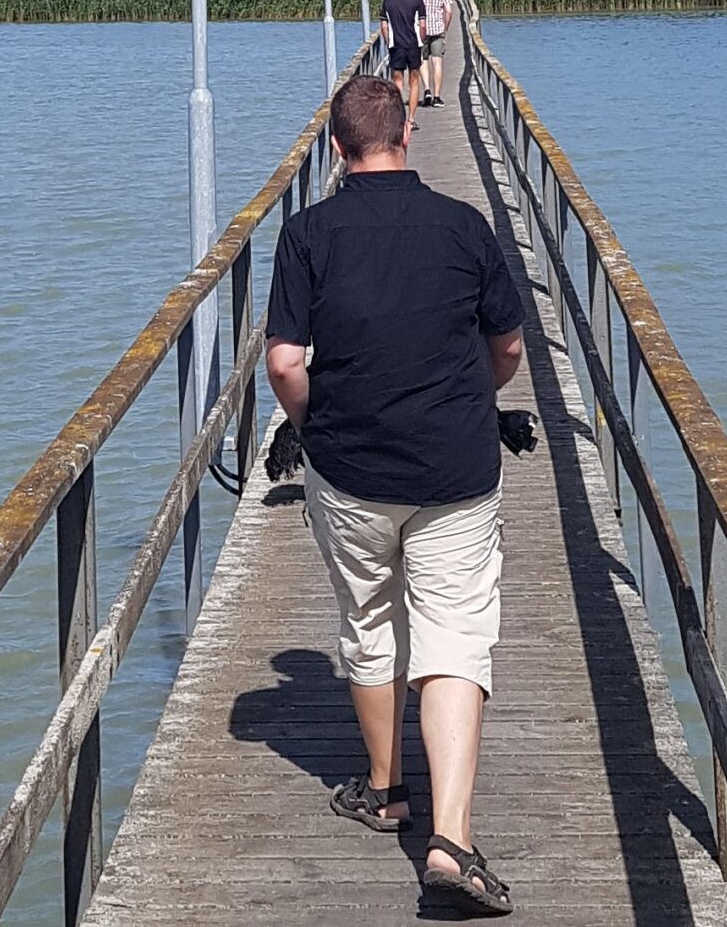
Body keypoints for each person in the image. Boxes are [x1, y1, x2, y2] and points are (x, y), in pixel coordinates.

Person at [264, 75, 527, 916]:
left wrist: (317, 425)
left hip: (351, 474)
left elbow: (283, 363)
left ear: (336, 147)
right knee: (454, 636)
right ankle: (450, 841)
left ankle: (387, 791)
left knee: (371, 623)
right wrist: (473, 400)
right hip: (456, 470)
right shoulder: (465, 226)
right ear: (409, 127)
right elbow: (510, 347)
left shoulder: (307, 234)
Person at [379, 0, 426, 116]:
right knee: (414, 81)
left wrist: (389, 42)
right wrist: (421, 40)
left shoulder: (388, 2)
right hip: (413, 46)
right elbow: (422, 25)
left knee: (397, 81)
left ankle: (400, 117)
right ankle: (411, 118)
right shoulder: (417, 1)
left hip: (396, 46)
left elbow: (384, 26)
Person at [412, 0, 455, 107]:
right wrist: (445, 27)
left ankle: (427, 90)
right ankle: (437, 97)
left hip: (421, 30)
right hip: (437, 30)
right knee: (437, 62)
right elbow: (448, 11)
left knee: (423, 60)